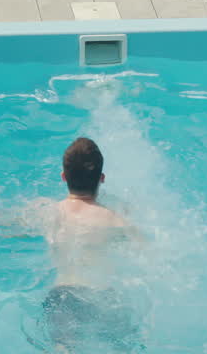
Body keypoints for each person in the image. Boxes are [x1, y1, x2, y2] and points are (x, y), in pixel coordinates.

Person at [42, 137, 139, 352]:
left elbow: (8, 228)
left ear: (63, 176)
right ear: (102, 179)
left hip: (64, 296)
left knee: (63, 348)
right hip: (103, 297)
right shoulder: (115, 219)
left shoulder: (48, 212)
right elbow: (148, 250)